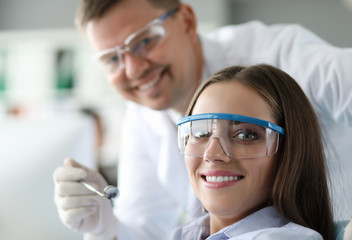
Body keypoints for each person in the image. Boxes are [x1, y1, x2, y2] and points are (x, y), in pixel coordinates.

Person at [53, 0, 352, 239]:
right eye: (113, 59)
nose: (132, 70)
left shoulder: (279, 53)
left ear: (186, 22)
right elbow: (146, 229)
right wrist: (104, 228)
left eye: (144, 42)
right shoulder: (142, 118)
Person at [172, 64, 334, 240]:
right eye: (200, 133)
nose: (212, 154)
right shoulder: (184, 234)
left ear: (290, 152)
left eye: (245, 135)